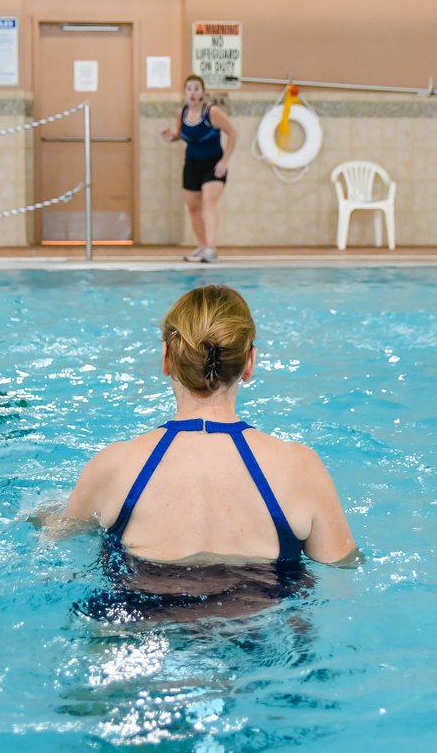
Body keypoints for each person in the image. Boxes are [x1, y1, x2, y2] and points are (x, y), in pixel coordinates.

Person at [55, 285, 360, 574]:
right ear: (249, 363)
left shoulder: (113, 466)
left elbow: (61, 534)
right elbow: (343, 564)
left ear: (166, 359)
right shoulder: (301, 468)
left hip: (140, 620)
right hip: (257, 626)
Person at [161, 75, 238, 264]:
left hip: (213, 165)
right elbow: (182, 135)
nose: (193, 93)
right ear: (185, 93)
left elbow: (233, 133)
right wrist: (171, 137)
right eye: (189, 89)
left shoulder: (212, 112)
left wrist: (224, 161)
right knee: (193, 208)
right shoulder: (183, 113)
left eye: (196, 89)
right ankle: (202, 246)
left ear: (203, 92)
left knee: (208, 202)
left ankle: (211, 248)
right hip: (192, 164)